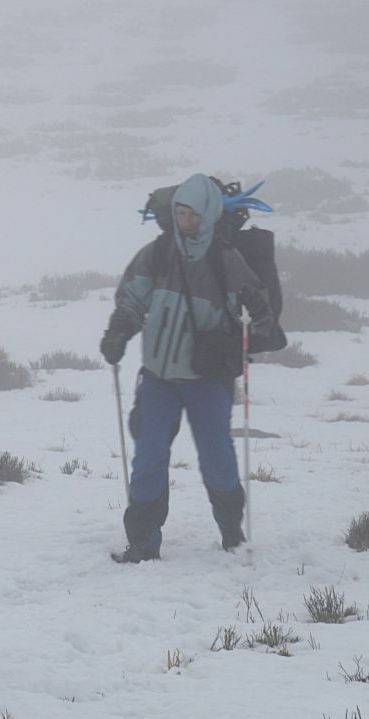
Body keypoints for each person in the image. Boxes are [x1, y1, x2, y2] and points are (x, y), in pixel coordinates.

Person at [100, 173, 274, 563]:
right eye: (180, 213)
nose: (186, 221)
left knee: (217, 458)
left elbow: (259, 316)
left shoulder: (226, 260)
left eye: (193, 214)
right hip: (159, 378)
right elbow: (132, 299)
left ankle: (231, 529)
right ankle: (143, 542)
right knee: (148, 457)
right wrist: (118, 333)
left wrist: (249, 325)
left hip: (207, 380)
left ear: (208, 214)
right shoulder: (157, 254)